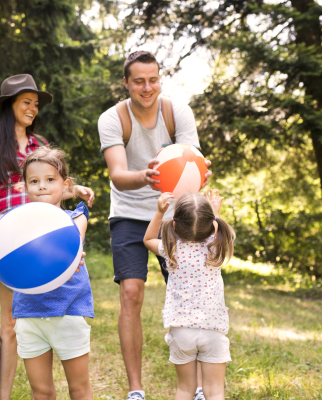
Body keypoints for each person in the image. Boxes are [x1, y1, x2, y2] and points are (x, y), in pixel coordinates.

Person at [0, 74, 95, 400]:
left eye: (36, 104)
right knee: (11, 321)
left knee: (44, 308)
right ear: (10, 105)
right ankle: (4, 396)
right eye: (26, 102)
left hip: (46, 239)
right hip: (11, 243)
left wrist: (77, 189)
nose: (32, 109)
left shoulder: (40, 145)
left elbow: (56, 182)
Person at [97, 50, 212, 400]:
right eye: (139, 81)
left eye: (153, 79)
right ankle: (136, 389)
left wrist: (193, 183)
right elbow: (117, 176)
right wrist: (148, 178)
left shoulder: (177, 112)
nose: (147, 88)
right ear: (126, 83)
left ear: (160, 78)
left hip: (176, 214)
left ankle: (201, 387)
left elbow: (192, 164)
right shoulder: (112, 118)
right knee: (131, 294)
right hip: (130, 214)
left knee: (194, 290)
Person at [12, 146, 94, 400]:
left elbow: (71, 247)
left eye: (50, 180)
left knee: (79, 389)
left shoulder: (76, 217)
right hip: (29, 313)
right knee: (41, 391)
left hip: (67, 312)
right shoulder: (16, 223)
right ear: (26, 187)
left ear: (64, 184)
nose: (42, 186)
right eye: (34, 181)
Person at [143, 190, 235, 400]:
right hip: (213, 330)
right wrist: (216, 213)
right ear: (212, 224)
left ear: (174, 224)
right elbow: (218, 231)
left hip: (181, 331)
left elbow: (148, 239)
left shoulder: (171, 248)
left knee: (185, 390)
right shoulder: (216, 249)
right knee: (215, 392)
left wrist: (159, 212)